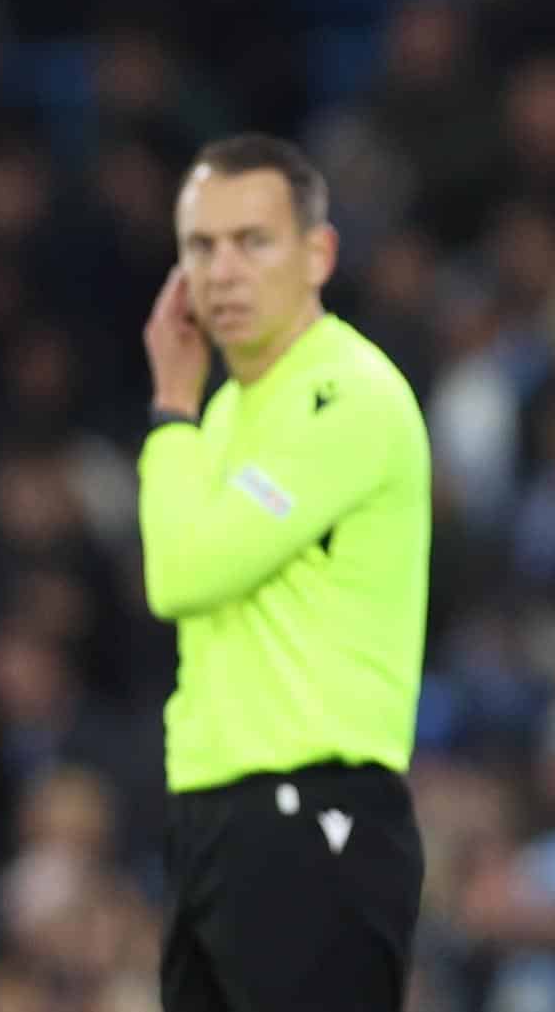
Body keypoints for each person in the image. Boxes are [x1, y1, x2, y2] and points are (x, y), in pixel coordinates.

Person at [136, 134, 430, 1011]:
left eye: (251, 240)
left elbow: (178, 572)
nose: (220, 269)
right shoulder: (222, 411)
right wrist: (186, 412)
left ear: (318, 253)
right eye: (200, 245)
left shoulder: (347, 392)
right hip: (211, 816)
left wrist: (169, 409)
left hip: (313, 811)